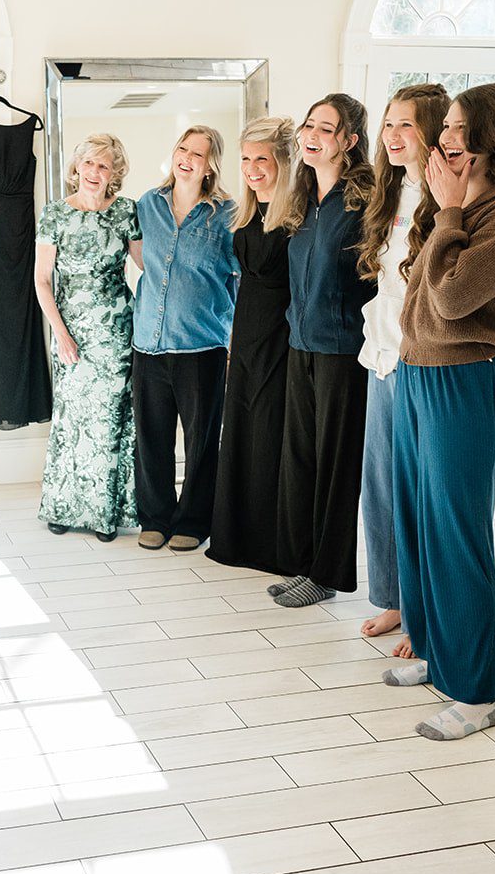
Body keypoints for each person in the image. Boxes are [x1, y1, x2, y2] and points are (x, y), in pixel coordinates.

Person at [380, 83, 495, 741]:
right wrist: (446, 206)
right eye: (444, 127)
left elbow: (452, 302)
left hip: (466, 383)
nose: (443, 138)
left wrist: (448, 210)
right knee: (418, 523)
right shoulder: (463, 199)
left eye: (455, 127)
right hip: (418, 374)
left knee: (458, 536)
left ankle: (477, 695)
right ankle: (433, 654)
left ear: (489, 135)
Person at [270, 94, 376, 608]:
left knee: (336, 467)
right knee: (301, 459)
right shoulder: (305, 197)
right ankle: (303, 564)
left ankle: (328, 574)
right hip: (301, 343)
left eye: (326, 129)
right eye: (309, 125)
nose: (312, 135)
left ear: (350, 142)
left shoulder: (365, 203)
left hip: (343, 351)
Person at [354, 83, 448, 656]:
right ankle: (393, 597)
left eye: (405, 125)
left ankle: (422, 610)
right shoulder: (389, 196)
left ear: (432, 131)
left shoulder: (445, 198)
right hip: (381, 355)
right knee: (381, 486)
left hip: (421, 359)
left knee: (417, 491)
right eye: (388, 124)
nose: (392, 135)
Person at [130, 126, 237, 552]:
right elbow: (144, 260)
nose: (187, 158)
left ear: (211, 164)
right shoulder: (146, 205)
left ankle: (193, 520)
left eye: (198, 153)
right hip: (148, 345)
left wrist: (234, 340)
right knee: (150, 439)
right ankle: (154, 517)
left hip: (202, 347)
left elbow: (240, 279)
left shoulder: (227, 214)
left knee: (201, 443)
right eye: (182, 148)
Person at [35, 134, 139, 542]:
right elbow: (43, 281)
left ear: (114, 173)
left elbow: (149, 265)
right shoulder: (55, 215)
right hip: (70, 330)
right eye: (89, 164)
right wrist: (61, 335)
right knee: (73, 421)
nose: (95, 173)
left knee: (110, 420)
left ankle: (104, 513)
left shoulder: (127, 212)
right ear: (76, 167)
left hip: (115, 330)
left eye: (104, 166)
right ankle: (63, 506)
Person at [207, 117, 296, 572]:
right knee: (239, 433)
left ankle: (268, 546)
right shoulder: (245, 212)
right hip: (243, 334)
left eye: (262, 158)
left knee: (269, 437)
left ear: (283, 161)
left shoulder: (297, 214)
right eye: (245, 158)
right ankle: (234, 539)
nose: (252, 168)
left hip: (281, 336)